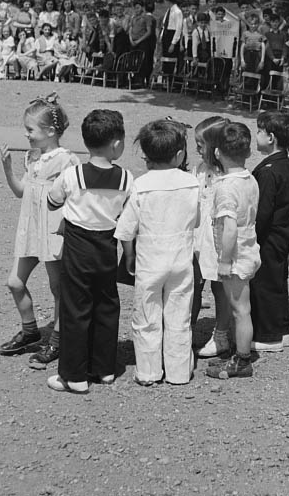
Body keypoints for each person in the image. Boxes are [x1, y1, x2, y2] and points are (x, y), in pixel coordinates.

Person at [45, 109, 132, 393]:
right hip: (107, 245)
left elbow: (52, 201)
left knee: (76, 307)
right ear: (116, 145)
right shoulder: (126, 179)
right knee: (106, 304)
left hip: (77, 246)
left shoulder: (72, 175)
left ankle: (73, 375)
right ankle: (104, 368)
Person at [115, 120, 200, 386]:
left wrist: (129, 255)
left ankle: (149, 372)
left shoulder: (141, 185)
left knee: (147, 316)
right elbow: (196, 221)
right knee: (179, 316)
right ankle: (178, 372)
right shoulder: (191, 183)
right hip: (181, 259)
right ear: (179, 155)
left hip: (150, 261)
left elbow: (126, 230)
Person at [0, 95, 78, 369]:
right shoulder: (32, 157)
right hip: (32, 229)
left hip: (54, 231)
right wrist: (9, 171)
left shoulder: (67, 160)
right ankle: (30, 330)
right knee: (15, 282)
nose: (26, 134)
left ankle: (57, 338)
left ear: (51, 131)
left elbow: (75, 196)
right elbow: (23, 191)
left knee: (58, 288)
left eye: (30, 129)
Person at [205, 122, 261, 380]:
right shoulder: (249, 179)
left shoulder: (226, 187)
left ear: (217, 153)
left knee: (240, 310)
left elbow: (229, 228)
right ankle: (240, 352)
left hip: (236, 255)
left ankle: (242, 359)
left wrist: (225, 261)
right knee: (242, 308)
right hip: (250, 247)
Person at [250, 111, 289, 352]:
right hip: (281, 233)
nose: (256, 135)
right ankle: (281, 328)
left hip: (269, 235)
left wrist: (252, 237)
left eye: (259, 131)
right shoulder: (284, 163)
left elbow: (263, 211)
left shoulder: (269, 170)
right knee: (277, 281)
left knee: (265, 284)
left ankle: (269, 335)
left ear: (271, 137)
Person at [192, 117, 233, 358]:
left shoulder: (226, 174)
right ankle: (186, 330)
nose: (197, 147)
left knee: (219, 287)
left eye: (201, 143)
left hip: (215, 236)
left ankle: (221, 334)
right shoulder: (199, 169)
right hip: (197, 234)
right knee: (194, 285)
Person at [209, 5, 239, 97]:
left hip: (227, 52)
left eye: (222, 14)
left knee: (226, 72)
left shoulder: (229, 24)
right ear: (215, 14)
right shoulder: (212, 24)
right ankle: (216, 89)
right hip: (216, 51)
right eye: (218, 14)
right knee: (216, 71)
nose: (220, 16)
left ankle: (224, 90)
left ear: (224, 14)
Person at [127, 0, 156, 84]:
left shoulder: (146, 17)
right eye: (135, 8)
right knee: (131, 60)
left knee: (143, 61)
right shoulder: (133, 17)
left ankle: (141, 79)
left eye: (138, 7)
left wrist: (139, 41)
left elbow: (149, 31)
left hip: (142, 42)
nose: (136, 10)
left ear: (142, 8)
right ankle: (133, 78)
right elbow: (130, 29)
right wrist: (131, 39)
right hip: (133, 41)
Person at [159, 0, 184, 75]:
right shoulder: (168, 11)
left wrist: (173, 43)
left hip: (172, 36)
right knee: (165, 61)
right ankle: (165, 79)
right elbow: (164, 25)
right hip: (166, 35)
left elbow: (178, 29)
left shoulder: (177, 12)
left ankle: (171, 81)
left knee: (171, 61)